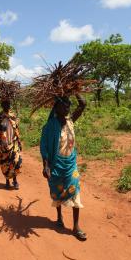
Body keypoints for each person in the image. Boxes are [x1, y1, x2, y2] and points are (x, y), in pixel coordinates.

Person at [40, 94, 87, 241]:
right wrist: (45, 165)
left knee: (75, 190)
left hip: (70, 165)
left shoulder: (70, 121)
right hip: (56, 164)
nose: (67, 108)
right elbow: (45, 146)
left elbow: (83, 104)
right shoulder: (49, 126)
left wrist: (73, 90)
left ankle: (76, 226)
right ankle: (59, 217)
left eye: (69, 105)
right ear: (56, 107)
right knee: (57, 190)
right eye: (64, 105)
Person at [0, 100, 22, 189]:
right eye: (5, 104)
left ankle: (15, 180)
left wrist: (19, 142)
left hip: (13, 143)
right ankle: (7, 181)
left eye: (8, 104)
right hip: (2, 145)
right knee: (5, 165)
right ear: (2, 105)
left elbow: (17, 130)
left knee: (15, 162)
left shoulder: (13, 116)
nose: (7, 105)